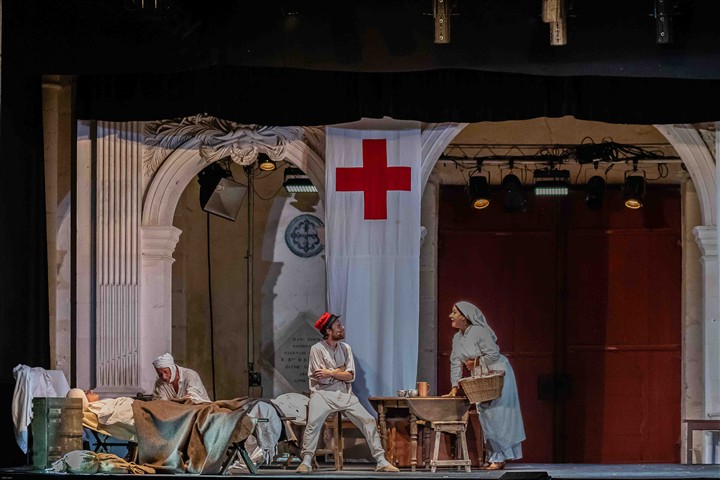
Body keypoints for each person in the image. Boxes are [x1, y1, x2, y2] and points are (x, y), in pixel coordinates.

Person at [295, 312, 399, 473]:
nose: (342, 328)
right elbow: (321, 379)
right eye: (338, 326)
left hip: (345, 394)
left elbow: (350, 376)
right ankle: (307, 460)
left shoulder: (345, 348)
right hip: (322, 394)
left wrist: (330, 372)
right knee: (313, 423)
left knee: (368, 420)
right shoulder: (317, 349)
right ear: (328, 331)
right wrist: (340, 371)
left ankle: (381, 460)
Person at [442, 301, 525, 471]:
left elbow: (493, 354)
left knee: (498, 415)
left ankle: (499, 457)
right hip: (481, 377)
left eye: (454, 313)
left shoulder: (479, 332)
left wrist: (475, 362)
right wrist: (454, 387)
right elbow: (455, 362)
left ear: (465, 317)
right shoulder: (457, 338)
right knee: (485, 415)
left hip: (497, 375)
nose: (451, 316)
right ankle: (495, 455)